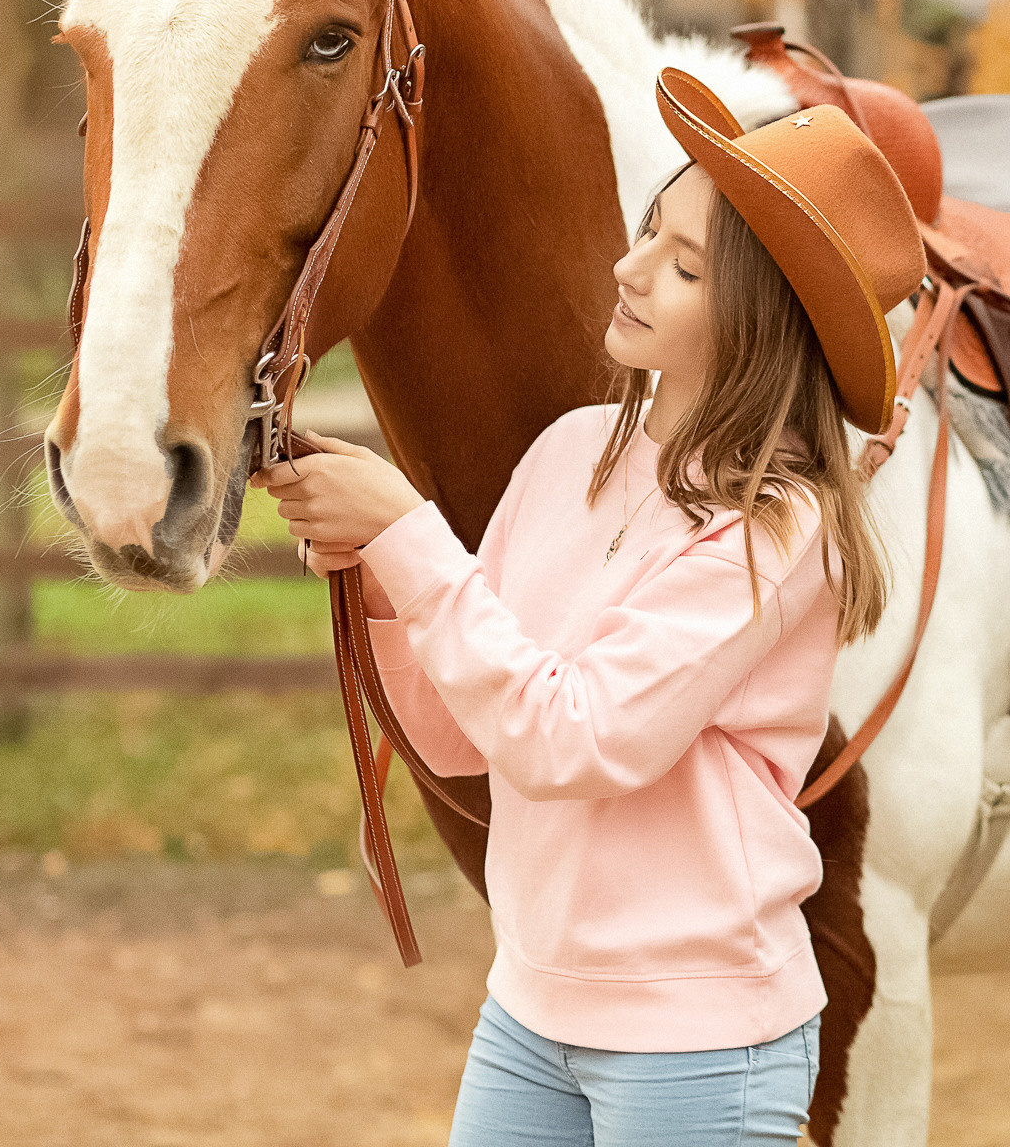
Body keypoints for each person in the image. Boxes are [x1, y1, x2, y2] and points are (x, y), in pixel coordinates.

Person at [254, 66, 925, 1147]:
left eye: (683, 262)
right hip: (529, 1008)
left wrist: (410, 535)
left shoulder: (770, 529)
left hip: (701, 1044)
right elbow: (467, 738)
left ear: (758, 317)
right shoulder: (569, 454)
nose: (630, 267)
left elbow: (581, 738)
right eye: (650, 230)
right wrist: (380, 577)